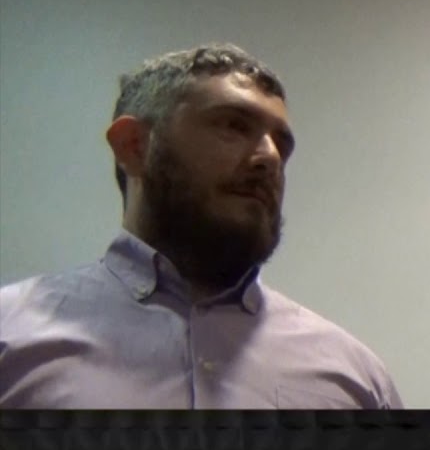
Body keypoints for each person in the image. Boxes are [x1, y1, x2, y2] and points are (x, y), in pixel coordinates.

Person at [0, 44, 403, 409]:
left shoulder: (357, 382)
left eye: (282, 144)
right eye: (233, 126)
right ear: (134, 146)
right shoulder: (12, 337)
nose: (270, 158)